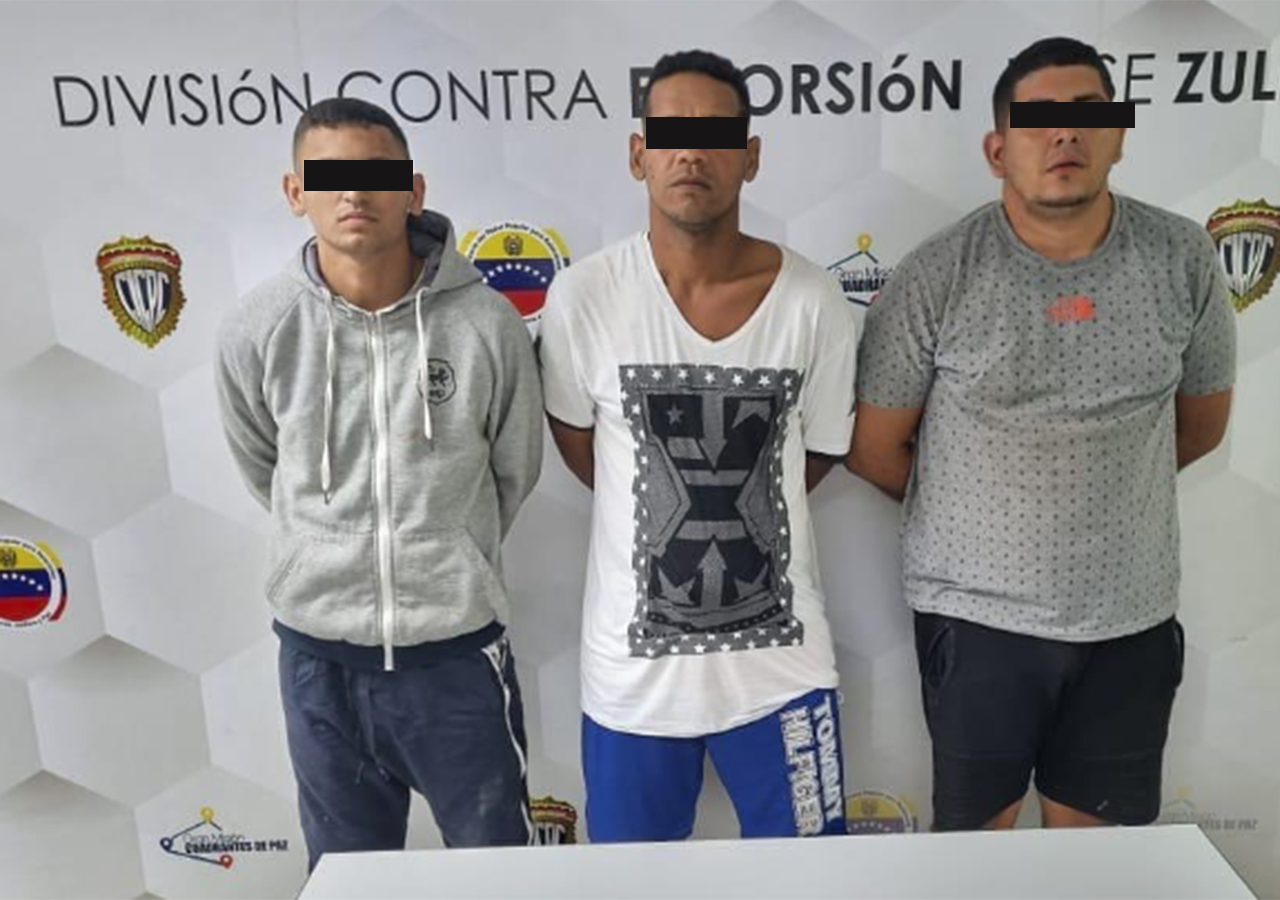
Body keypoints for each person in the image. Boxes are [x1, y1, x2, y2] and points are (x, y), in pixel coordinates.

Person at [849, 36, 1236, 831]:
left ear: (1118, 134)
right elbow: (876, 449)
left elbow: (1198, 427)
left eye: (1087, 115)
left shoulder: (1184, 258)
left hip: (1129, 621)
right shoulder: (938, 274)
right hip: (978, 625)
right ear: (998, 150)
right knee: (977, 859)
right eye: (1037, 120)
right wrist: (983, 516)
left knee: (1094, 867)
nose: (1064, 134)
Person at [537, 50, 858, 842]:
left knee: (816, 887)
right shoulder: (584, 296)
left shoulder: (813, 299)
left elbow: (813, 457)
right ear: (638, 153)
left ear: (750, 157)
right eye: (670, 134)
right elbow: (588, 454)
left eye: (714, 135)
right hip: (632, 685)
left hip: (783, 676)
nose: (691, 154)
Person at [215, 97, 543, 868]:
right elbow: (262, 464)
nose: (354, 193)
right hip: (320, 664)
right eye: (329, 176)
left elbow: (514, 467)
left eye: (375, 175)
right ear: (295, 191)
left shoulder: (486, 323)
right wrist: (325, 550)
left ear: (414, 190)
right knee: (347, 875)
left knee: (500, 872)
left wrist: (447, 551)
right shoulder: (260, 327)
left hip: (456, 659)